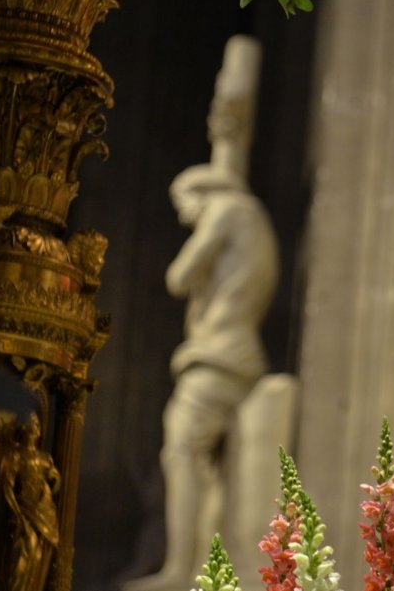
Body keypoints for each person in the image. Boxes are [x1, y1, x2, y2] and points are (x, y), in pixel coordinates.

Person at [125, 163, 278, 591]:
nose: (182, 215)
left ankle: (178, 568)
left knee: (181, 451)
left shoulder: (227, 209)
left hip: (219, 355)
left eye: (182, 203)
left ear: (202, 190)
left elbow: (179, 276)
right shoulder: (252, 218)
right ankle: (205, 564)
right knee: (210, 469)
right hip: (235, 350)